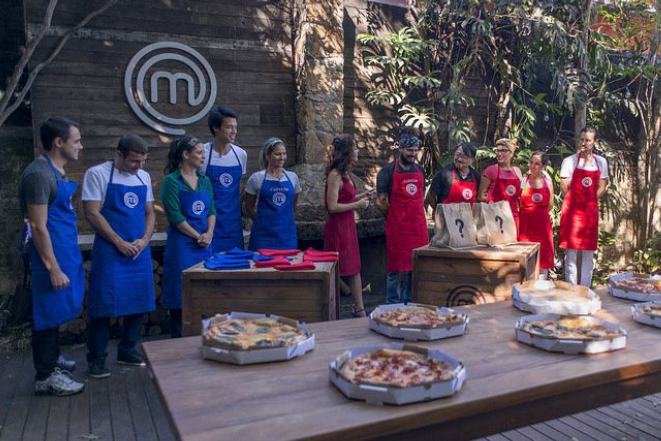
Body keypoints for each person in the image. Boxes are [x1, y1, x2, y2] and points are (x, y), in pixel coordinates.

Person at [19, 116, 85, 396]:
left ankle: (53, 359)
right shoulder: (39, 175)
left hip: (64, 249)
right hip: (48, 257)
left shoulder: (57, 171)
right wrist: (53, 268)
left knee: (57, 310)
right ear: (59, 142)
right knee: (46, 313)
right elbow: (37, 226)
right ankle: (45, 376)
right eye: (76, 140)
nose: (81, 146)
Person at [82, 134, 156, 378]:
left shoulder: (143, 177)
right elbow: (92, 214)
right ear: (119, 155)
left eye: (142, 161)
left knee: (138, 299)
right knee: (102, 303)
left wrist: (145, 240)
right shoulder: (97, 174)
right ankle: (96, 359)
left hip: (138, 250)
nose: (139, 167)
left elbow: (150, 213)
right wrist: (118, 242)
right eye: (134, 161)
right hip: (110, 250)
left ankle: (127, 350)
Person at [161, 136, 215, 338]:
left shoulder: (205, 181)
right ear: (185, 154)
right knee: (179, 294)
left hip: (204, 246)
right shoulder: (171, 181)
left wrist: (208, 234)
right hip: (182, 245)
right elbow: (175, 216)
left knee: (204, 293)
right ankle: (178, 340)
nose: (203, 156)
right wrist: (197, 236)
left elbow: (212, 211)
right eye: (199, 152)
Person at [376, 130, 429, 304]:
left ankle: (410, 301)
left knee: (415, 265)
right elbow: (381, 201)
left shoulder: (420, 169)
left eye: (415, 150)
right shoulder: (387, 172)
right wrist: (393, 217)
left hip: (417, 227)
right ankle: (392, 303)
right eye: (409, 151)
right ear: (401, 149)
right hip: (397, 227)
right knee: (395, 267)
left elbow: (421, 196)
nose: (413, 154)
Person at [324, 135, 372, 317]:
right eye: (355, 148)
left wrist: (363, 196)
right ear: (347, 152)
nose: (358, 151)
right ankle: (355, 310)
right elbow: (332, 206)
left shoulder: (345, 174)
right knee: (343, 270)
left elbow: (346, 198)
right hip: (337, 228)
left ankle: (358, 308)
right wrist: (357, 206)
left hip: (347, 225)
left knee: (353, 268)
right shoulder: (335, 175)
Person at [558, 127, 609, 286]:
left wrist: (590, 201)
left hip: (589, 213)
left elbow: (602, 186)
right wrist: (575, 201)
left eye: (587, 140)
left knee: (588, 253)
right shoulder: (570, 161)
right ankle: (572, 289)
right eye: (581, 139)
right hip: (572, 212)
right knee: (570, 252)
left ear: (595, 142)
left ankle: (586, 289)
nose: (584, 143)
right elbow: (564, 186)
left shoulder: (601, 162)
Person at [202, 106, 247, 252]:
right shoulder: (202, 154)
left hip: (233, 224)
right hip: (208, 225)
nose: (234, 131)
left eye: (235, 127)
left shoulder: (240, 155)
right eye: (229, 127)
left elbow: (239, 188)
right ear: (216, 128)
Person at [244, 137, 301, 250]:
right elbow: (248, 206)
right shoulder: (256, 178)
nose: (282, 157)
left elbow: (293, 206)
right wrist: (263, 221)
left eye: (284, 154)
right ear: (267, 156)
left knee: (286, 266)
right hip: (263, 237)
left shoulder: (293, 178)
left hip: (286, 236)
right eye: (278, 154)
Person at [518, 151, 555, 280]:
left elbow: (550, 204)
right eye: (531, 162)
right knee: (526, 260)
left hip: (542, 227)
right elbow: (518, 201)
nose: (533, 166)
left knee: (543, 261)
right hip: (526, 227)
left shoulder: (548, 182)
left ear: (543, 166)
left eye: (537, 164)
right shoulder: (523, 181)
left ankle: (541, 292)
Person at [477, 138, 523, 228]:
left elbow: (520, 197)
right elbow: (480, 196)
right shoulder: (491, 170)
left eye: (503, 151)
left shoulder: (517, 171)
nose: (499, 153)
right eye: (497, 150)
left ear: (512, 153)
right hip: (495, 216)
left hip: (513, 217)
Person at [426, 142, 481, 207]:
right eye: (458, 154)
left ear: (472, 159)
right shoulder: (444, 174)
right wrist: (439, 211)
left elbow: (479, 199)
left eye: (464, 156)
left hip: (468, 216)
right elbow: (430, 196)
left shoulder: (476, 176)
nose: (459, 159)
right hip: (447, 216)